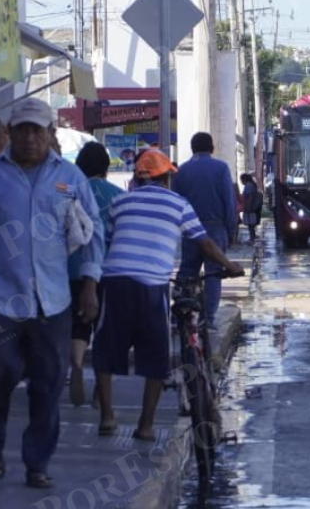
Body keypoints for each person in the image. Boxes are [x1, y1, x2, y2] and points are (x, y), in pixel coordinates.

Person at [0, 97, 103, 489]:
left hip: (53, 299)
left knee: (49, 383)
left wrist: (90, 282)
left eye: (37, 130)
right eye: (22, 130)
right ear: (10, 133)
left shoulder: (69, 177)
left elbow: (94, 231)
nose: (30, 138)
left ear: (50, 133)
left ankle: (37, 462)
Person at [93, 150, 244, 440]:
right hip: (152, 286)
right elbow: (205, 244)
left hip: (115, 282)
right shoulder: (178, 204)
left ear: (138, 178)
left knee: (105, 350)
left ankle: (107, 417)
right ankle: (145, 425)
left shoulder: (120, 202)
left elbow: (109, 240)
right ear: (166, 178)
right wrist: (230, 266)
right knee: (156, 357)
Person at [67, 141, 124, 407]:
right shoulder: (118, 196)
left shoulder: (70, 193)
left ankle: (77, 364)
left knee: (78, 323)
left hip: (70, 269)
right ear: (105, 168)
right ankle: (102, 390)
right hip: (105, 270)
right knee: (104, 329)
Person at [173, 132, 238, 324]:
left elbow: (176, 201)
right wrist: (231, 229)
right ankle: (208, 319)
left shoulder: (181, 171)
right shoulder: (221, 168)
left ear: (192, 148)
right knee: (213, 273)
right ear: (212, 147)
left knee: (187, 273)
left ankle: (181, 316)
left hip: (189, 229)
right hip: (215, 228)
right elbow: (229, 201)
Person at [240, 173, 263, 243]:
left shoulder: (248, 186)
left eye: (241, 180)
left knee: (250, 224)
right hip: (251, 207)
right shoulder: (251, 185)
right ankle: (252, 236)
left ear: (244, 179)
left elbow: (250, 197)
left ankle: (252, 238)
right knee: (251, 224)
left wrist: (248, 207)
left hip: (250, 207)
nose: (241, 181)